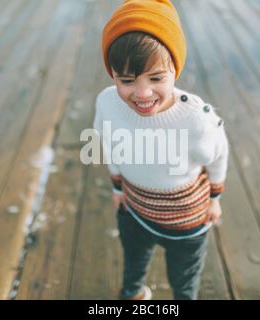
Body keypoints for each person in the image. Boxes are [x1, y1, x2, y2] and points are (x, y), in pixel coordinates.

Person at [93, 0, 229, 300]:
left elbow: (219, 155)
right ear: (112, 74)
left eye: (156, 78)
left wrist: (215, 198)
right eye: (127, 80)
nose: (142, 93)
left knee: (183, 280)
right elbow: (110, 146)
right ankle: (133, 295)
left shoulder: (197, 119)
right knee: (133, 265)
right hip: (134, 210)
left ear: (175, 70)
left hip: (186, 223)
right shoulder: (107, 103)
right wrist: (117, 189)